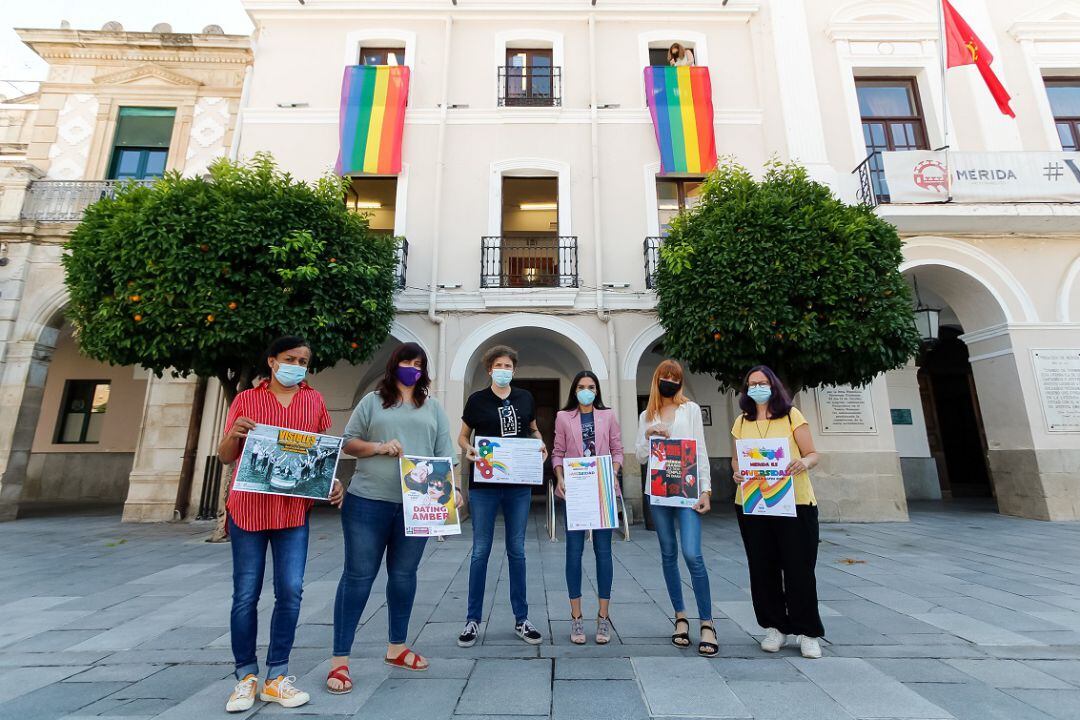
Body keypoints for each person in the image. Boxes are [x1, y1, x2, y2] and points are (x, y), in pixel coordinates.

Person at [327, 342, 458, 693]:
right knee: (358, 577)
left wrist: (453, 491)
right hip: (368, 502)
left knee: (403, 577)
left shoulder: (433, 409)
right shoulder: (372, 402)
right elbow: (348, 442)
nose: (411, 367)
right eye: (406, 361)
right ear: (393, 365)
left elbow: (445, 456)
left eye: (418, 363)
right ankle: (340, 661)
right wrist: (379, 448)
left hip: (417, 508)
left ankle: (397, 647)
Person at [220, 336, 335, 712]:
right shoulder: (246, 400)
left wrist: (334, 482)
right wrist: (234, 434)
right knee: (245, 595)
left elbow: (320, 453)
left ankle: (276, 677)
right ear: (271, 361)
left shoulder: (313, 400)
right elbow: (224, 456)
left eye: (303, 360)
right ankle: (245, 676)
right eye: (290, 358)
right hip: (248, 510)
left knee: (290, 591)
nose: (297, 365)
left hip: (292, 512)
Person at [730, 365, 824, 659]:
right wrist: (737, 473)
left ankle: (807, 632)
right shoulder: (741, 422)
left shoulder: (792, 416)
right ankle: (774, 626)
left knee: (799, 567)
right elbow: (736, 461)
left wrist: (804, 464)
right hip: (754, 502)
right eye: (751, 384)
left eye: (762, 382)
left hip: (793, 501)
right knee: (762, 567)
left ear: (773, 385)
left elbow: (812, 453)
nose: (757, 387)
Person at [457, 345, 548, 647]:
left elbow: (533, 430)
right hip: (484, 485)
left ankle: (522, 619)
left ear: (514, 369)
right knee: (480, 550)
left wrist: (541, 442)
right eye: (498, 365)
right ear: (489, 370)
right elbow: (462, 435)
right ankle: (472, 620)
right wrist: (467, 449)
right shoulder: (477, 400)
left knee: (517, 550)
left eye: (508, 365)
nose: (503, 369)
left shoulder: (525, 398)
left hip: (518, 484)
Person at [634, 359, 717, 657]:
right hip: (658, 492)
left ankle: (707, 621)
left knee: (692, 554)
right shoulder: (647, 414)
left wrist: (705, 489)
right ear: (657, 379)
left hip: (687, 489)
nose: (669, 380)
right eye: (664, 376)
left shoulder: (690, 409)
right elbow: (641, 457)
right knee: (668, 553)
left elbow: (701, 448)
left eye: (675, 376)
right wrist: (648, 434)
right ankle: (680, 616)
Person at [551, 371, 624, 645]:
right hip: (577, 492)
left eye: (591, 387)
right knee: (574, 553)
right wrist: (560, 478)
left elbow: (617, 449)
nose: (586, 390)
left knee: (603, 553)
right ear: (574, 389)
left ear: (597, 390)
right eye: (581, 386)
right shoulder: (562, 417)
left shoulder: (608, 415)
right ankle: (576, 616)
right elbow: (558, 451)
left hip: (603, 490)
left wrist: (612, 472)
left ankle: (603, 617)